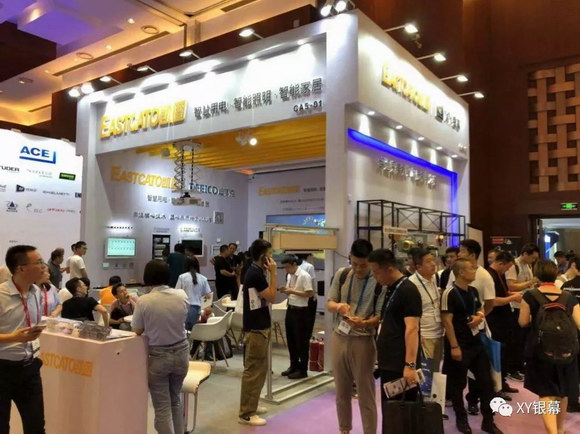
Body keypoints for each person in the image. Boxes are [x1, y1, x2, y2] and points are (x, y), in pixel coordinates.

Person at [327, 239, 386, 434]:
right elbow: (330, 303)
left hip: (363, 340)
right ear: (350, 257)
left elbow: (380, 317)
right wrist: (339, 307)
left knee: (365, 393)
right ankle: (344, 429)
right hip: (339, 337)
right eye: (355, 264)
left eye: (364, 265)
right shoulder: (342, 274)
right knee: (341, 391)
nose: (359, 269)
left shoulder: (378, 282)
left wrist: (364, 323)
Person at [442, 258, 503, 434]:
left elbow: (480, 308)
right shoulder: (449, 293)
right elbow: (447, 321)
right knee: (458, 384)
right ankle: (461, 419)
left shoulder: (473, 291)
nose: (475, 270)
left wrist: (479, 316)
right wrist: (454, 346)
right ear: (461, 272)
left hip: (476, 343)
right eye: (471, 268)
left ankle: (488, 420)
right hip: (459, 343)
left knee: (486, 383)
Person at [518, 260, 580, 434]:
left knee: (546, 393)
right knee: (563, 391)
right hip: (567, 351)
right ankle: (559, 429)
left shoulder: (530, 296)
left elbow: (523, 322)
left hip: (540, 351)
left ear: (537, 275)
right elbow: (579, 323)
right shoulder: (568, 297)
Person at [131, 260, 189, 434]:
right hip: (182, 352)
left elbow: (137, 330)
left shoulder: (144, 301)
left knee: (162, 408)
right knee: (175, 400)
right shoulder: (181, 295)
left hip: (158, 356)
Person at [367, 248, 421, 433]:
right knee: (391, 411)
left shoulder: (408, 290)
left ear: (389, 269)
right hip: (390, 362)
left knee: (400, 412)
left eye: (376, 272)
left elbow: (412, 329)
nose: (375, 276)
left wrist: (410, 365)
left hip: (401, 364)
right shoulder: (391, 288)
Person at [0, 245, 47, 433]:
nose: (44, 266)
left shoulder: (36, 292)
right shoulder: (1, 295)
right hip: (2, 370)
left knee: (36, 427)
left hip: (30, 368)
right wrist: (13, 337)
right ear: (21, 268)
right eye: (39, 262)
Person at [239, 239, 278, 427]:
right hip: (256, 329)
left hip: (259, 326)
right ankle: (247, 413)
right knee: (253, 370)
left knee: (260, 369)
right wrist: (274, 273)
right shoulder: (255, 274)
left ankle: (252, 405)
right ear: (263, 256)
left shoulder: (255, 271)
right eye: (270, 254)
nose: (272, 258)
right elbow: (272, 297)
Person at [486, 251, 523, 399]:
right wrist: (511, 298)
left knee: (505, 354)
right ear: (501, 263)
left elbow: (502, 292)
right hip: (495, 321)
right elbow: (492, 300)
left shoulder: (498, 275)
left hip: (504, 321)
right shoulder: (489, 276)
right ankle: (496, 387)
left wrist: (511, 295)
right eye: (507, 267)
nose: (507, 270)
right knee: (497, 355)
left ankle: (502, 382)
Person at [505, 243, 540, 382]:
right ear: (525, 254)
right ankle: (512, 368)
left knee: (524, 338)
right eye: (532, 257)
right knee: (516, 339)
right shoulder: (514, 265)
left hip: (526, 305)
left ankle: (520, 365)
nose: (534, 260)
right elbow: (511, 286)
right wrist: (530, 282)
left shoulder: (528, 265)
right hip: (515, 306)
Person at [280, 254, 314, 380]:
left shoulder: (304, 276)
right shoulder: (290, 275)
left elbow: (309, 293)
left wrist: (291, 291)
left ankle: (303, 369)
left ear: (294, 264)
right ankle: (293, 365)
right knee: (291, 340)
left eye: (287, 267)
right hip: (291, 308)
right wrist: (286, 290)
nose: (286, 270)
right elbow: (291, 290)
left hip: (301, 311)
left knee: (301, 341)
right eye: (284, 267)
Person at [409, 249, 443, 372]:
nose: (433, 264)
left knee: (436, 371)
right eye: (428, 261)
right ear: (418, 267)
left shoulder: (434, 278)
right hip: (424, 335)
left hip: (438, 332)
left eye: (433, 260)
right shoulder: (411, 284)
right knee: (426, 374)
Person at [560, 258, 580, 413]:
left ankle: (572, 401)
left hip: (569, 331)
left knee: (572, 366)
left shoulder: (566, 286)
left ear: (575, 267)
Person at [175, 257, 212, 331]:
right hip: (199, 310)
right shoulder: (203, 278)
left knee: (184, 332)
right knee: (194, 331)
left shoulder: (182, 277)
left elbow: (177, 294)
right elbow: (208, 296)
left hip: (185, 308)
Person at [299, 253, 318, 350]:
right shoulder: (309, 266)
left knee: (302, 319)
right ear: (309, 256)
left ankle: (301, 339)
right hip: (309, 295)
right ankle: (307, 339)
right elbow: (312, 281)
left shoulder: (298, 265)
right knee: (310, 319)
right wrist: (315, 294)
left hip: (300, 296)